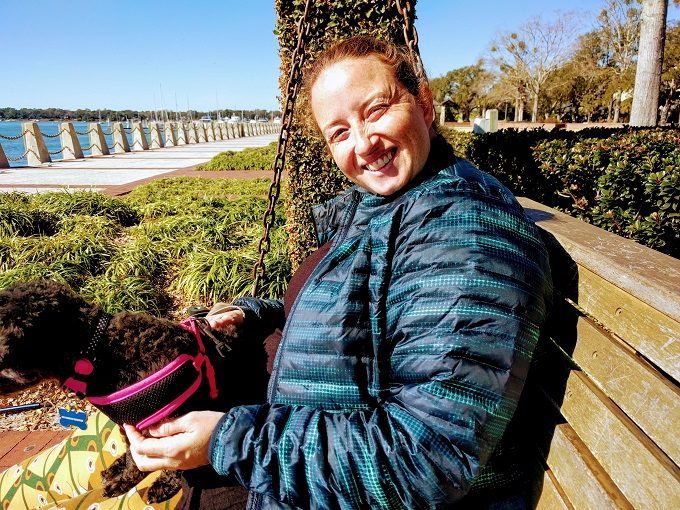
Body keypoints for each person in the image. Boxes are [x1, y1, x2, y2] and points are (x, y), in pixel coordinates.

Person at [124, 35, 553, 509]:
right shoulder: (390, 206)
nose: (364, 144)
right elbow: (366, 314)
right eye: (340, 132)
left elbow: (426, 458)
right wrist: (259, 316)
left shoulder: (465, 238)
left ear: (425, 105)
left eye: (376, 110)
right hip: (291, 458)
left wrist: (231, 439)